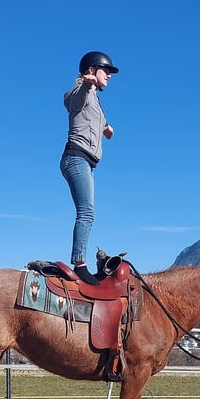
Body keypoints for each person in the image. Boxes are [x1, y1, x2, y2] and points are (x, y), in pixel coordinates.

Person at [59, 51, 119, 285]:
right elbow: (75, 101)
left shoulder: (97, 102)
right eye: (107, 71)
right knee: (86, 212)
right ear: (92, 70)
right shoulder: (75, 93)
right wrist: (86, 84)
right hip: (75, 158)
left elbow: (98, 118)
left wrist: (107, 128)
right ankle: (79, 263)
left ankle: (82, 262)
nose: (110, 76)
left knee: (89, 212)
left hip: (87, 162)